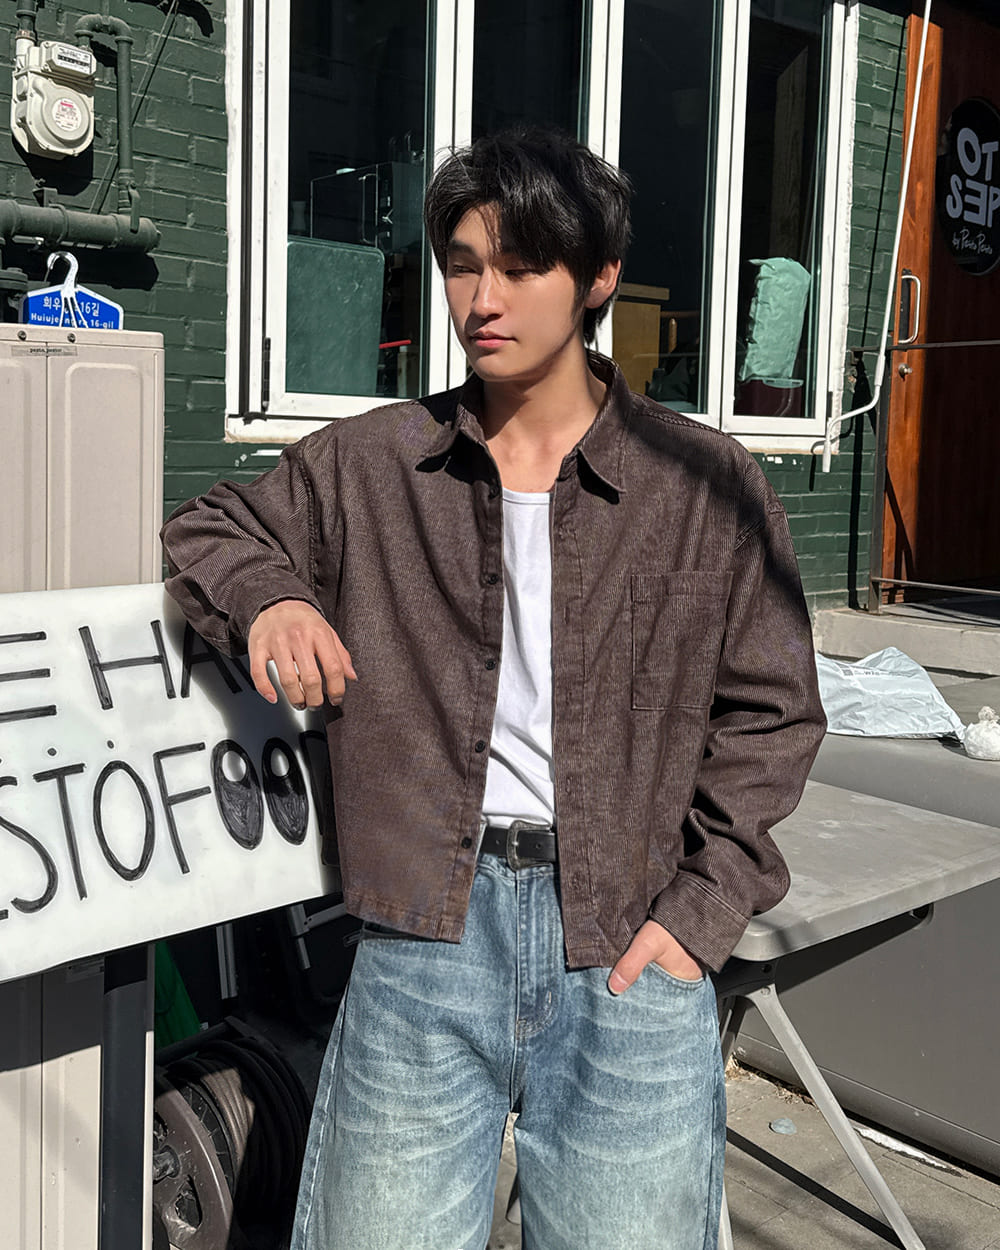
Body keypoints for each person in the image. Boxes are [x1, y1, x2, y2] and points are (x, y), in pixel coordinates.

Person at [162, 127, 825, 1250]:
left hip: (629, 937)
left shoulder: (704, 484)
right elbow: (208, 529)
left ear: (598, 276)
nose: (482, 299)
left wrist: (699, 914)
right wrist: (272, 599)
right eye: (462, 265)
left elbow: (775, 713)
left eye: (519, 267)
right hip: (427, 926)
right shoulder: (375, 463)